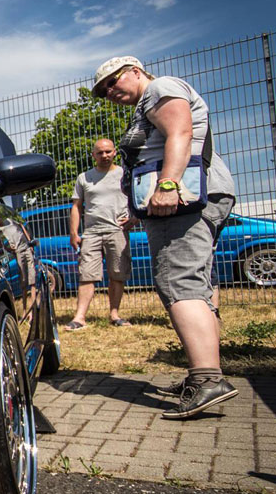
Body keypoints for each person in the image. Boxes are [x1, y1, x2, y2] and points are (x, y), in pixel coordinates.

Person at [92, 55, 238, 419]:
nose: (109, 92)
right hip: (188, 198)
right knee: (196, 282)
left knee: (179, 280)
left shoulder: (160, 87)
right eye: (103, 90)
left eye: (112, 82)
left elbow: (181, 132)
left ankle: (208, 380)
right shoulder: (150, 99)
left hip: (182, 199)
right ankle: (202, 372)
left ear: (135, 71)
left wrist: (168, 184)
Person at [66, 138, 132, 330]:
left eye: (108, 152)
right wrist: (74, 233)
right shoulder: (84, 177)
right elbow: (76, 206)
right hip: (91, 233)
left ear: (114, 153)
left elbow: (136, 197)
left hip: (117, 231)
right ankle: (79, 318)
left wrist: (134, 218)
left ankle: (115, 314)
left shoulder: (124, 174)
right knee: (86, 274)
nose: (105, 156)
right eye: (100, 152)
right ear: (93, 155)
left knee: (117, 274)